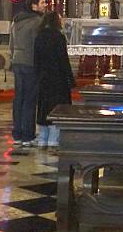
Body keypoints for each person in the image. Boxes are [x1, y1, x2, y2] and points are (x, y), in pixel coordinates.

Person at [9, 0, 47, 146]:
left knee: (19, 98)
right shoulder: (38, 22)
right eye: (43, 2)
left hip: (17, 61)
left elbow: (11, 44)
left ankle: (17, 133)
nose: (45, 5)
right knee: (30, 100)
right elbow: (38, 45)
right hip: (30, 63)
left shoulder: (16, 20)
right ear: (34, 5)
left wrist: (15, 56)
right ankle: (28, 135)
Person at [33, 11, 75, 148]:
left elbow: (36, 59)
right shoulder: (58, 37)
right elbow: (63, 60)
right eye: (60, 19)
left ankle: (42, 140)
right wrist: (70, 78)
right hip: (57, 78)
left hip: (43, 78)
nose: (62, 21)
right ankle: (53, 140)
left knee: (44, 107)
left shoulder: (39, 36)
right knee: (57, 108)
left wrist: (37, 75)